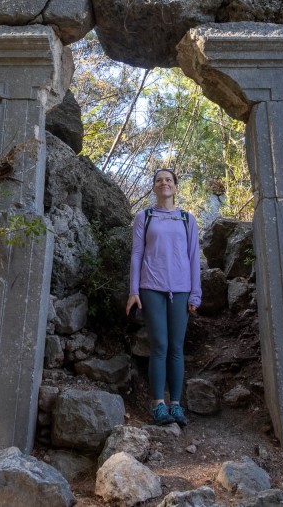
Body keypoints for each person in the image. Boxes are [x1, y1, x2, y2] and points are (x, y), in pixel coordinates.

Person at [126, 168, 201, 427]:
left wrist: (196, 293)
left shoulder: (186, 218)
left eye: (169, 179)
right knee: (159, 345)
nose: (164, 183)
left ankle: (176, 405)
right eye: (159, 180)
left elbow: (193, 257)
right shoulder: (144, 217)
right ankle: (159, 404)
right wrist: (133, 291)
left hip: (180, 290)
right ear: (154, 188)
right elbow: (136, 255)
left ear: (175, 186)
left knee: (177, 348)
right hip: (151, 287)